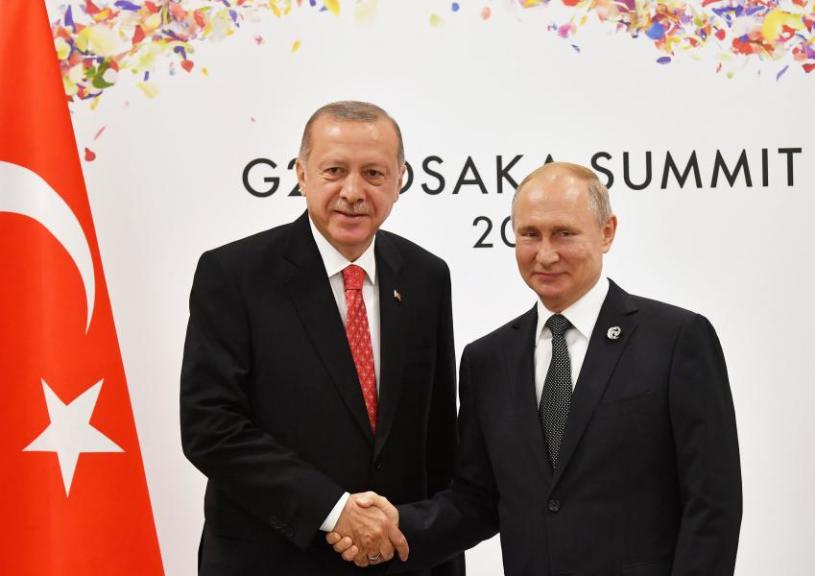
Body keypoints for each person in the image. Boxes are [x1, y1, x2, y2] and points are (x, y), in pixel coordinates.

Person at [330, 162, 743, 575]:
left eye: (564, 233)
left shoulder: (675, 340)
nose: (545, 254)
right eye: (530, 234)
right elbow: (477, 500)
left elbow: (713, 504)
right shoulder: (487, 360)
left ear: (607, 232)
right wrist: (399, 527)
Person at [180, 101, 463, 575]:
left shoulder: (426, 277)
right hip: (269, 561)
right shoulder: (233, 274)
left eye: (374, 173)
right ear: (301, 174)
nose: (353, 192)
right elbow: (211, 428)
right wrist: (334, 510)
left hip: (395, 562)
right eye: (334, 170)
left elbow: (437, 447)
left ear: (400, 181)